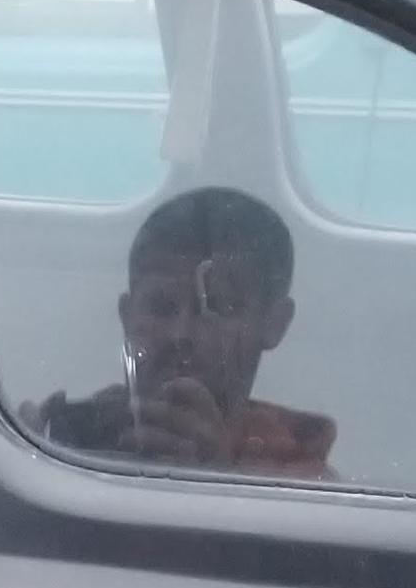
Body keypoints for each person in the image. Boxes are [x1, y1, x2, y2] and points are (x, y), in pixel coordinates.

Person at [25, 185, 336, 480]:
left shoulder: (305, 493)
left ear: (274, 324)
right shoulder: (61, 448)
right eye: (160, 306)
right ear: (128, 316)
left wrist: (222, 487)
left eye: (219, 307)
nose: (181, 334)